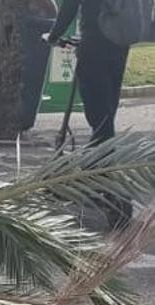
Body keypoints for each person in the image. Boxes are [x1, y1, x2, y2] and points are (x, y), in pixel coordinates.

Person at [47, 0, 136, 227]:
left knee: (100, 120)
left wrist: (54, 34)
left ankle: (104, 181)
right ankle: (94, 171)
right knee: (106, 115)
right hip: (119, 44)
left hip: (94, 43)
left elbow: (70, 6)